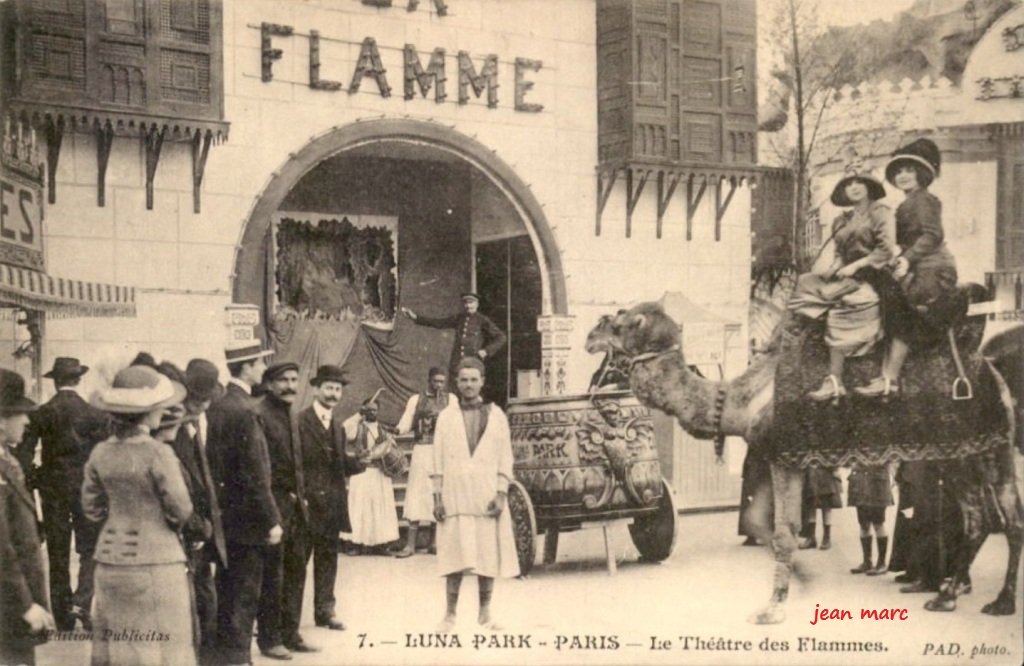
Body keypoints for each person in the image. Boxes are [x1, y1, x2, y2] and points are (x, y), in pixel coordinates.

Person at [82, 365, 195, 665]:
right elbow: (181, 509)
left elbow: (91, 509)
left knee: (118, 646)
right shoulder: (158, 453)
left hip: (108, 560)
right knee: (164, 647)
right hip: (157, 560)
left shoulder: (100, 453)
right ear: (149, 413)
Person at [857, 138, 961, 397]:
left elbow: (932, 235)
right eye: (899, 171)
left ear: (922, 173)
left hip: (932, 270)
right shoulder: (907, 203)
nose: (903, 176)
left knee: (903, 313)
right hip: (918, 265)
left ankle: (890, 379)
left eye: (910, 170)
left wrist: (907, 258)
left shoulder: (924, 199)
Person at [15, 357, 109, 631]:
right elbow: (101, 455)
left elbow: (23, 454)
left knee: (57, 551)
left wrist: (36, 477)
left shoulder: (42, 413)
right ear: (78, 380)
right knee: (90, 548)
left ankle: (63, 615)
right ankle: (82, 601)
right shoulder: (94, 413)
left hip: (53, 489)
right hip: (86, 489)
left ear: (55, 381)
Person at [788, 165, 894, 400]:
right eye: (848, 184)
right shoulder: (842, 219)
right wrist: (834, 266)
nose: (853, 187)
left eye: (859, 182)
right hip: (846, 274)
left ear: (869, 187)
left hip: (873, 276)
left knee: (846, 305)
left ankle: (834, 379)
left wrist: (857, 265)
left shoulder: (880, 213)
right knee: (806, 283)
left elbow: (886, 249)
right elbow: (839, 251)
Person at [206, 342, 282, 666]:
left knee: (226, 591)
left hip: (225, 517)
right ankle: (238, 660)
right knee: (245, 595)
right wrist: (272, 519)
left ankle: (225, 658)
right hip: (249, 521)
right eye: (260, 363)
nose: (264, 369)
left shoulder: (219, 405)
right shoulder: (246, 410)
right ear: (247, 366)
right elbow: (256, 473)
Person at [431, 357, 519, 632]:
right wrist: (437, 498)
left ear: (482, 381)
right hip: (455, 496)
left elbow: (506, 457)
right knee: (454, 557)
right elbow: (437, 460)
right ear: (456, 383)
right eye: (463, 380)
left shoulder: (496, 416)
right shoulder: (446, 417)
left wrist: (501, 493)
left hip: (485, 497)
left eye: (473, 379)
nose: (468, 385)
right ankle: (449, 615)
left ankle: (485, 613)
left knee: (486, 556)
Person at [166, 359, 226, 666]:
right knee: (194, 606)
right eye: (197, 401)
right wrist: (197, 528)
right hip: (187, 534)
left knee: (205, 601)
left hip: (200, 532)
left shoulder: (193, 428)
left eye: (206, 401)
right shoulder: (172, 435)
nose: (202, 407)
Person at [256, 362, 318, 658]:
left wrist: (302, 498)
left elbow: (297, 462)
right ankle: (270, 639)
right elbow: (260, 470)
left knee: (296, 572)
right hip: (274, 506)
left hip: (296, 507)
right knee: (273, 576)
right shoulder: (261, 415)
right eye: (283, 380)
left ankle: (291, 633)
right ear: (269, 383)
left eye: (294, 379)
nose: (291, 385)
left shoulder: (290, 413)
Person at [296, 365, 362, 631]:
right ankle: (287, 618)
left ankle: (325, 611)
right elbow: (295, 464)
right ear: (316, 389)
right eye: (329, 388)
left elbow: (339, 464)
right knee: (297, 563)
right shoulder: (299, 422)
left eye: (338, 389)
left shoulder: (337, 425)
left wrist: (363, 461)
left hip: (332, 506)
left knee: (328, 561)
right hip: (307, 506)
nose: (334, 394)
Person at [0, 369, 55, 666]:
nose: (27, 420)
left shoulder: (8, 463)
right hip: (8, 608)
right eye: (19, 413)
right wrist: (25, 604)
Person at [395, 367, 456, 557]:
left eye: (441, 382)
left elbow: (456, 423)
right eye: (435, 381)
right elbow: (406, 421)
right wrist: (397, 431)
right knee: (416, 493)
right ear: (429, 380)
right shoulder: (416, 399)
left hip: (442, 451)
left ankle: (434, 543)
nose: (438, 385)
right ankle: (410, 545)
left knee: (437, 494)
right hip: (422, 450)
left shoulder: (451, 400)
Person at [401, 292, 507, 390]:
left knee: (470, 389)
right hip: (456, 362)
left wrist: (486, 351)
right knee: (455, 389)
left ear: (477, 304)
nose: (468, 306)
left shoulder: (482, 320)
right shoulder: (459, 318)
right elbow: (439, 323)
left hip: (473, 361)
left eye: (471, 303)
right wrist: (416, 318)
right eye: (466, 303)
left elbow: (501, 337)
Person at [343, 390, 400, 554]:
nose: (372, 412)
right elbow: (344, 429)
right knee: (359, 508)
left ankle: (382, 545)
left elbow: (392, 447)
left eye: (375, 410)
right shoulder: (357, 428)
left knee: (381, 508)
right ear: (364, 410)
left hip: (380, 473)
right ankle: (357, 544)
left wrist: (388, 448)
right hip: (362, 473)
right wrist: (357, 414)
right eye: (369, 410)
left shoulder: (383, 428)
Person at [847, 464, 893, 575]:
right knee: (864, 524)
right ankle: (867, 562)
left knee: (878, 523)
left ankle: (881, 563)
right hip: (860, 483)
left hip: (877, 485)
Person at [798, 467, 842, 550]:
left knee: (826, 505)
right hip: (811, 471)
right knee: (811, 504)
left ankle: (826, 538)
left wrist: (835, 468)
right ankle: (811, 537)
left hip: (826, 470)